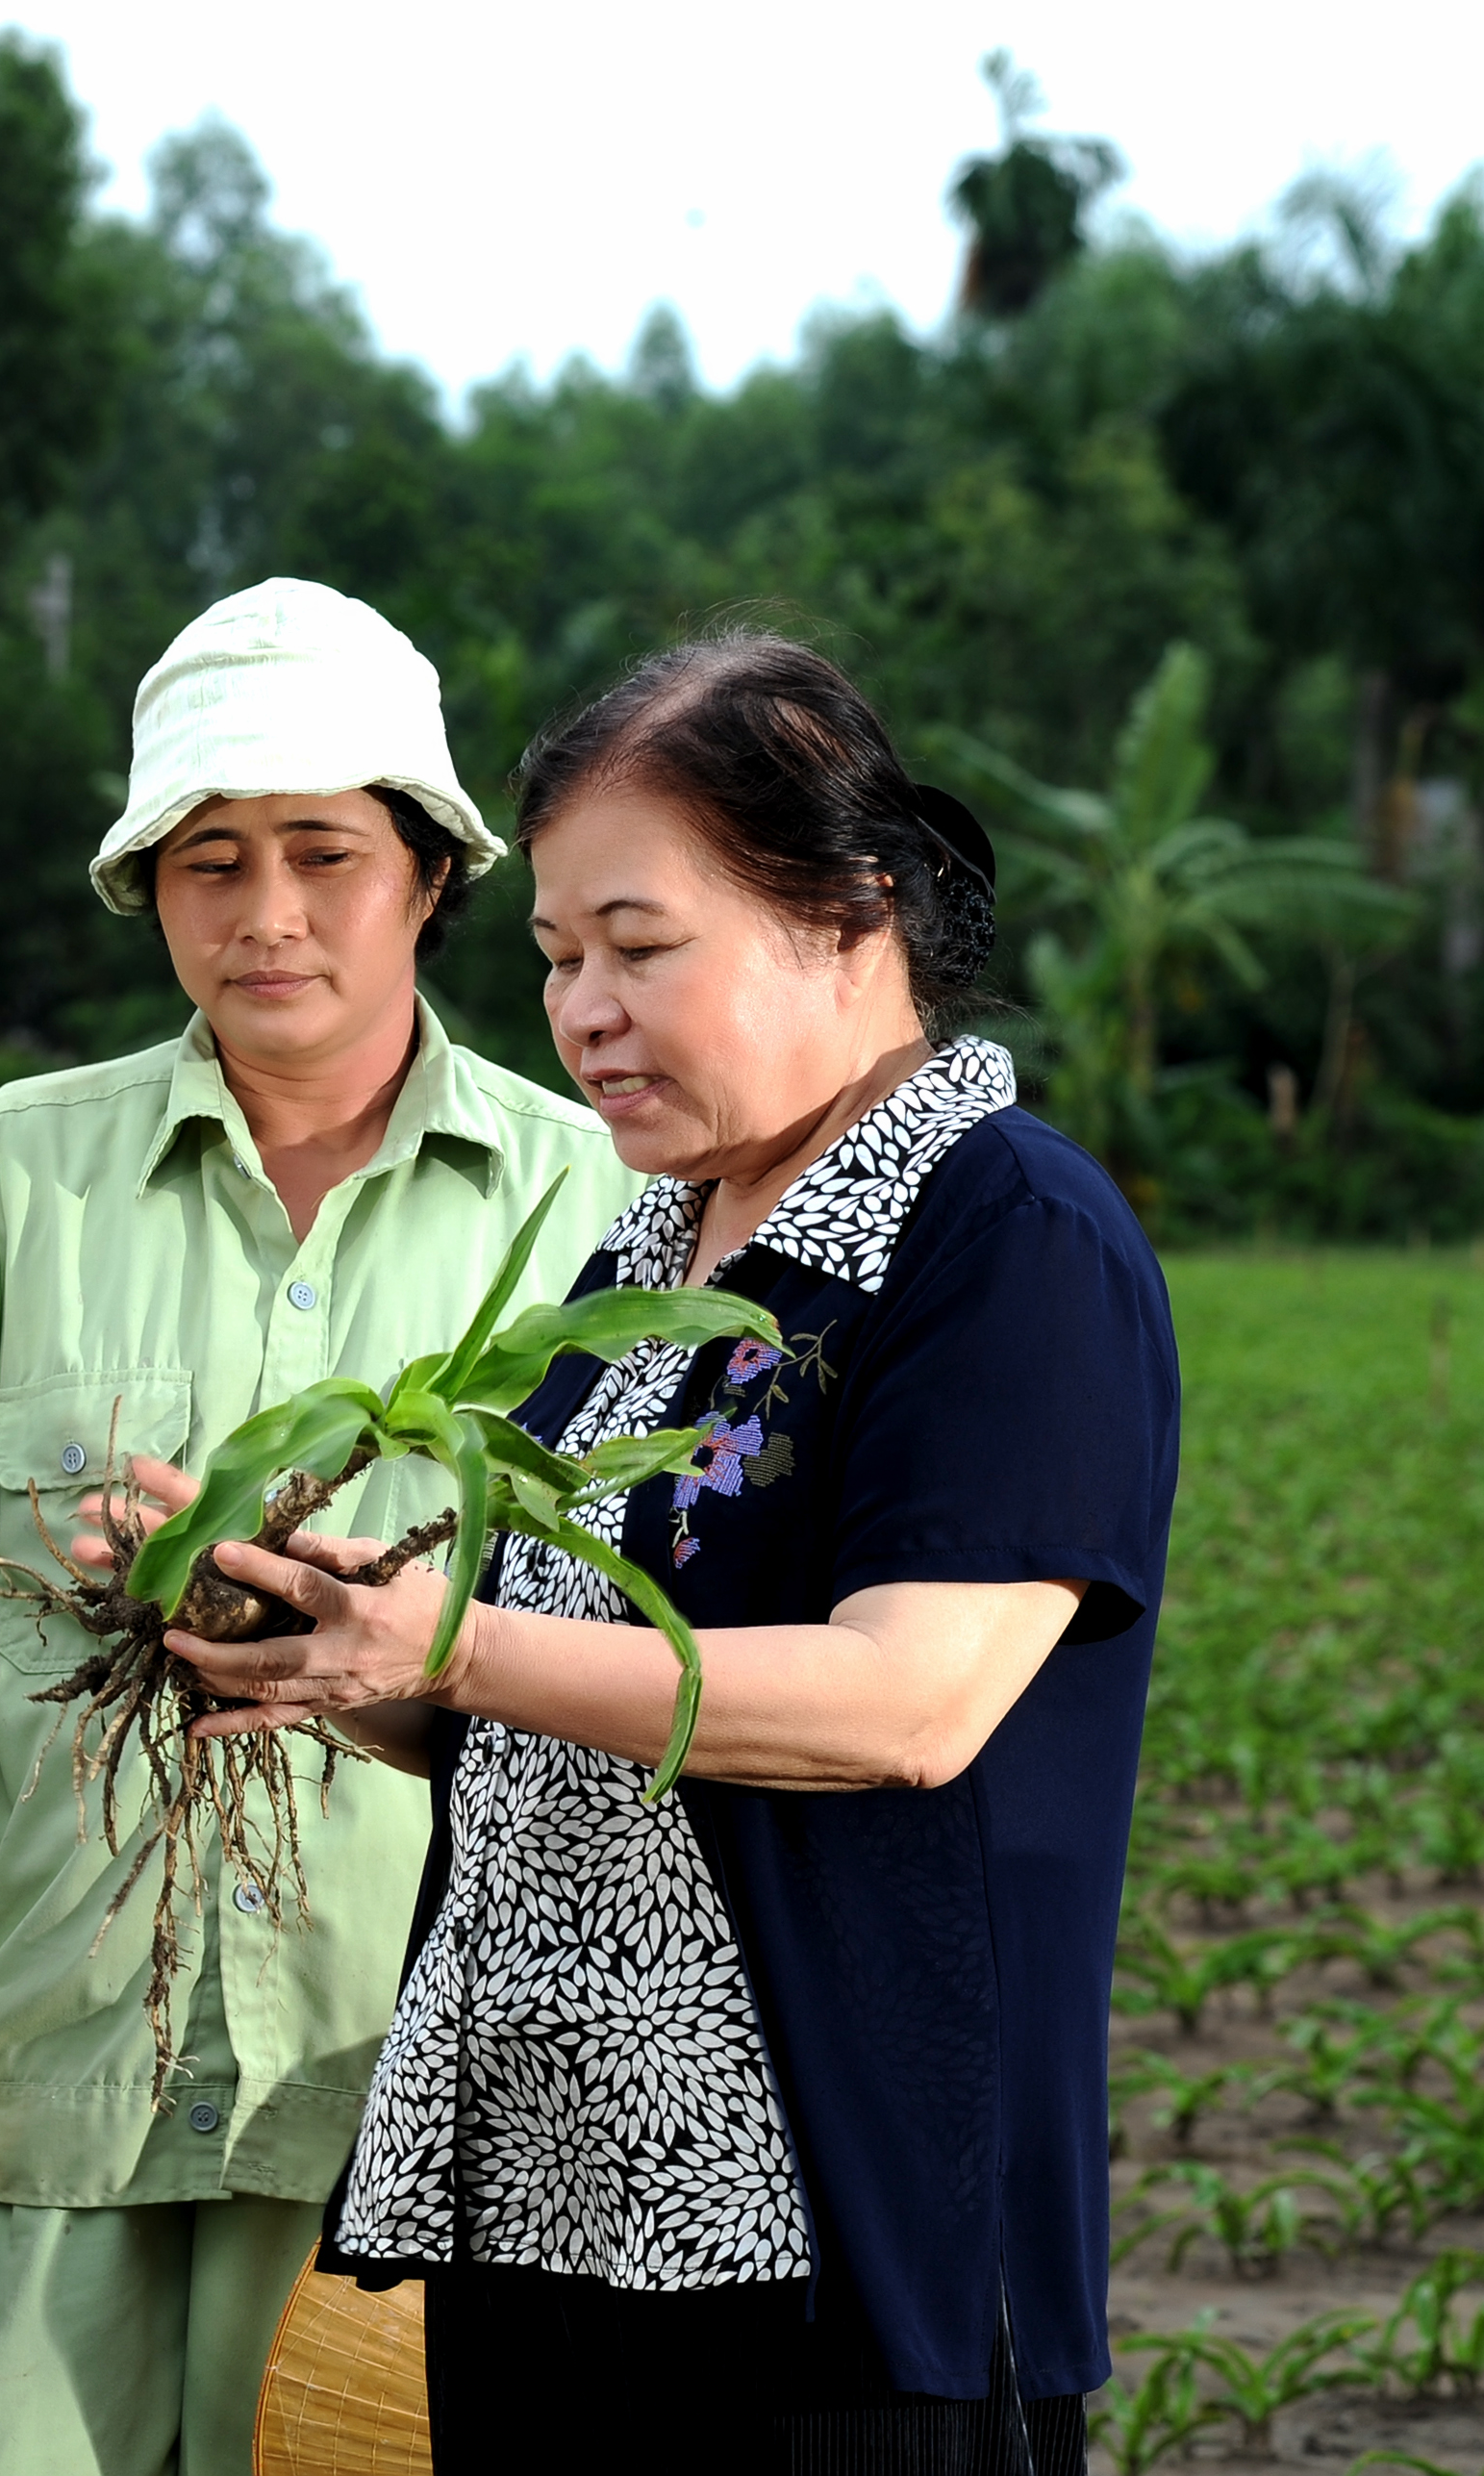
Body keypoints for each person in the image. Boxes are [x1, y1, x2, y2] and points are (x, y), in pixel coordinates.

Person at [163, 631, 1180, 2470]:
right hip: (551, 2217)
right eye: (556, 959)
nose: (583, 1010)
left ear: (850, 916)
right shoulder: (644, 1257)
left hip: (839, 2259)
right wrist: (326, 1643)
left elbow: (904, 1702)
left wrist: (457, 1653)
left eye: (640, 946)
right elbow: (544, 1693)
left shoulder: (1002, 1232)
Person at [0, 579, 635, 2476]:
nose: (263, 913)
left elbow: (627, 1689)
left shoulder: (588, 1205)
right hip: (39, 2093)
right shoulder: (10, 1181)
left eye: (323, 853)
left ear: (429, 871)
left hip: (410, 2124)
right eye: (208, 859)